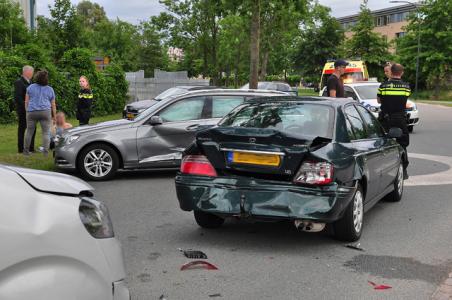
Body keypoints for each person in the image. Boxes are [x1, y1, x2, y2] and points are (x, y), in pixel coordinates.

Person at [377, 63, 411, 179]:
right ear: (401, 73)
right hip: (400, 119)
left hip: (386, 119)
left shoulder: (383, 86)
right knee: (403, 144)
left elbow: (379, 101)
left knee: (383, 143)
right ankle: (404, 170)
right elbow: (405, 99)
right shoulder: (406, 87)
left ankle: (382, 169)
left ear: (391, 72)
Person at [23, 70, 56, 156]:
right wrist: (54, 116)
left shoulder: (30, 87)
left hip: (32, 112)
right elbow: (53, 104)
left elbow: (26, 101)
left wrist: (27, 111)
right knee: (46, 132)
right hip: (45, 112)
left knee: (29, 131)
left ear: (36, 77)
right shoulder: (50, 89)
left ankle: (26, 151)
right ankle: (45, 152)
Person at [14, 65, 36, 153]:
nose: (32, 74)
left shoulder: (31, 82)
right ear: (27, 72)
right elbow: (18, 97)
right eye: (32, 72)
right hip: (23, 110)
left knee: (33, 128)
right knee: (22, 128)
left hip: (32, 109)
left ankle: (31, 147)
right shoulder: (19, 82)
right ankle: (21, 148)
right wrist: (26, 106)